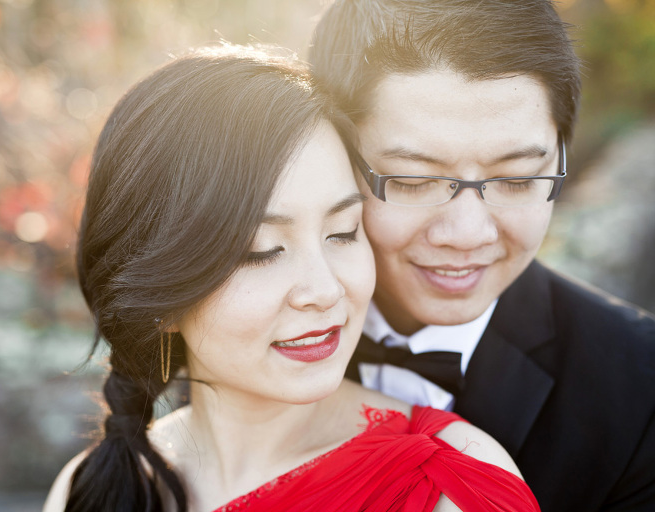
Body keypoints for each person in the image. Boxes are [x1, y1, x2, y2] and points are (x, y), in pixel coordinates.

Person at [42, 45, 540, 512]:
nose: (325, 290)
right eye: (261, 251)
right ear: (159, 294)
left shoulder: (451, 482)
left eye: (343, 232)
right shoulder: (90, 487)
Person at [308, 1, 655, 511]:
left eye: (516, 179)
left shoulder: (642, 388)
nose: (467, 234)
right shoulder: (237, 338)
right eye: (413, 180)